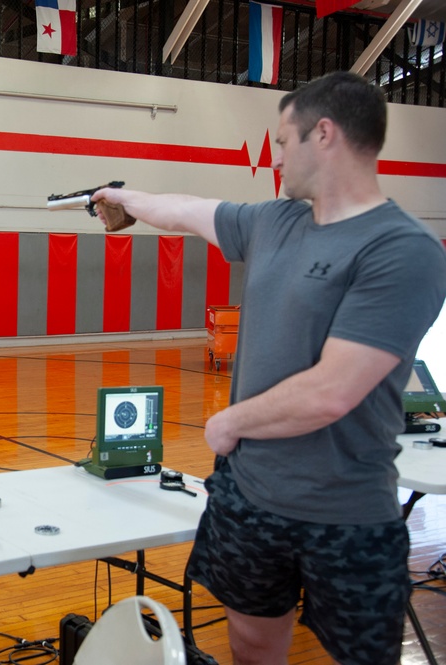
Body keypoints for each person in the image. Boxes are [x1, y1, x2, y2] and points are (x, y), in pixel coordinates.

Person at [90, 71, 446, 665]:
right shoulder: (275, 221)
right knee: (252, 644)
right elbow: (186, 210)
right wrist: (124, 199)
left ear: (323, 134)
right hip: (251, 497)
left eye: (283, 141)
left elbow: (332, 391)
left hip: (346, 510)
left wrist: (229, 424)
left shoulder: (401, 250)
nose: (276, 155)